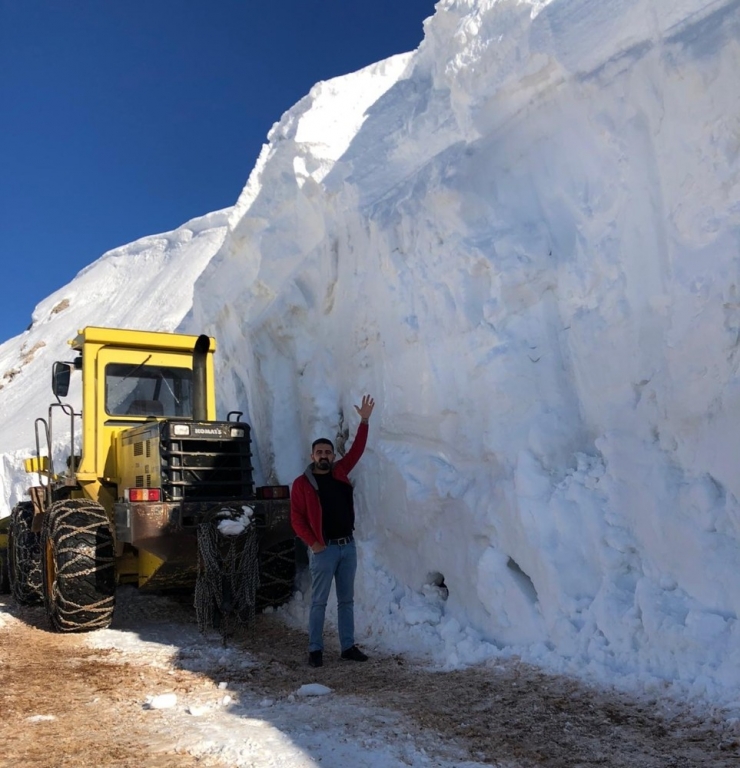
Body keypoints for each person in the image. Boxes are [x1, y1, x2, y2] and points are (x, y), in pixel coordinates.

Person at [290, 394, 375, 667]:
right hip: (324, 549)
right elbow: (297, 518)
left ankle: (347, 647)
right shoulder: (302, 484)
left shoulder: (340, 472)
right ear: (312, 456)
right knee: (319, 602)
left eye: (328, 452)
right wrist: (313, 543)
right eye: (319, 453)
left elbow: (358, 450)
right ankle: (315, 650)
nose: (324, 456)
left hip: (347, 546)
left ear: (332, 455)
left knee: (346, 601)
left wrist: (364, 421)